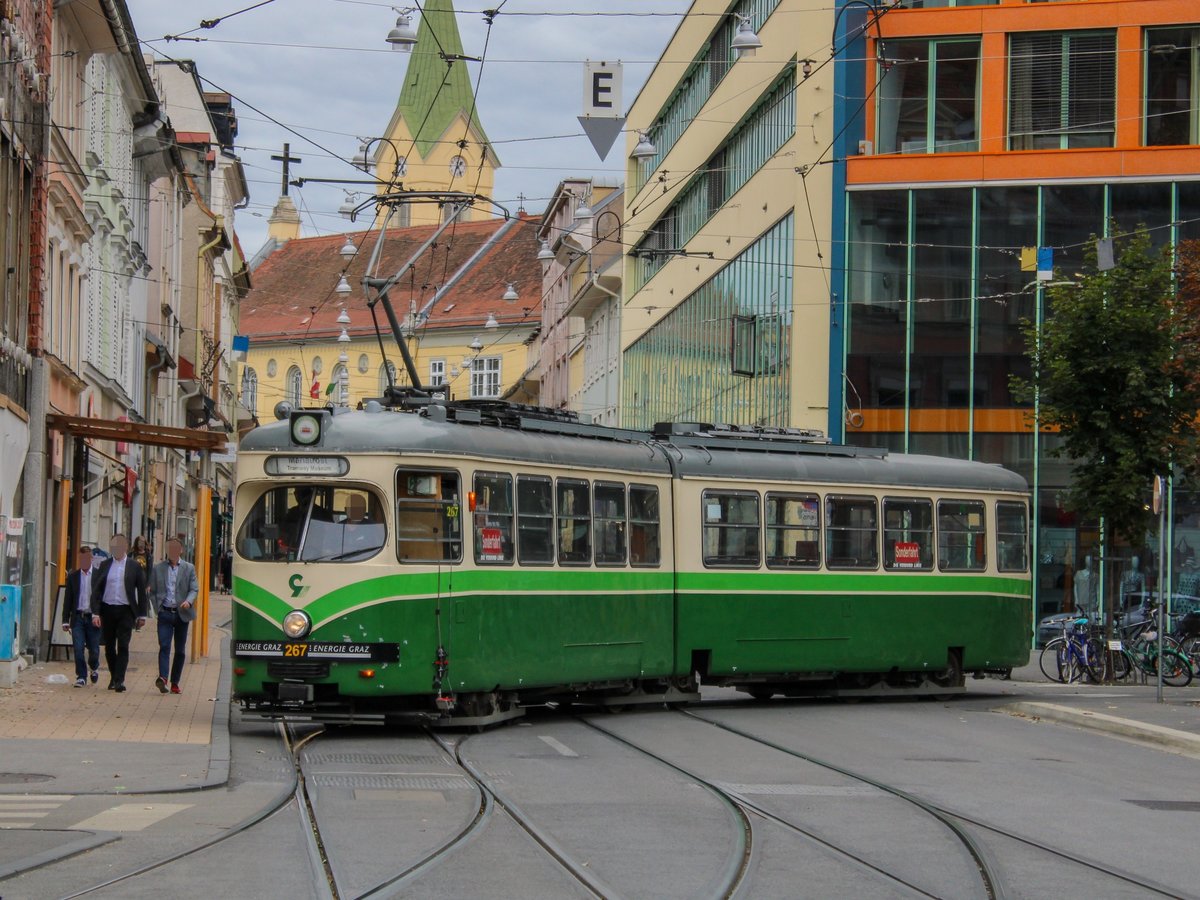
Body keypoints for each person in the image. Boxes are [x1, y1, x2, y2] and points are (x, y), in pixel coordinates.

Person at [89, 534, 149, 693]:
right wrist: (95, 612)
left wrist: (142, 614)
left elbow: (141, 592)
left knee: (123, 645)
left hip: (126, 610)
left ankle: (119, 680)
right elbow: (96, 590)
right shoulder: (105, 565)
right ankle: (113, 676)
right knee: (109, 646)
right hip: (107, 609)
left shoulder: (133, 566)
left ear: (126, 547)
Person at [148, 537, 199, 694]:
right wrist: (158, 607)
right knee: (164, 646)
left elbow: (194, 589)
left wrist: (188, 602)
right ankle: (163, 678)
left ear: (181, 550)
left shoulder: (189, 568)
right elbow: (153, 590)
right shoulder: (158, 568)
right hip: (165, 613)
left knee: (180, 650)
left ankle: (175, 681)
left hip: (181, 614)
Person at [61, 546, 101, 687]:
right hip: (78, 617)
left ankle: (94, 667)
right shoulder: (73, 577)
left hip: (93, 617)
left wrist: (100, 615)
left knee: (94, 649)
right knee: (78, 648)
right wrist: (65, 619)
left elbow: (101, 598)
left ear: (91, 559)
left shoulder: (98, 575)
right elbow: (68, 599)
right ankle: (81, 676)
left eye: (86, 558)